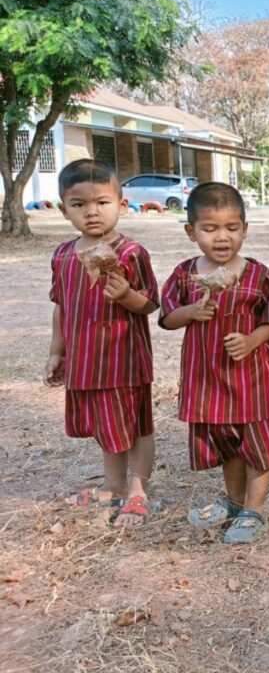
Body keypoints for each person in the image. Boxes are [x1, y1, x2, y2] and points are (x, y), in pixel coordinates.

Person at [160, 183, 269, 544]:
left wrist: (251, 340)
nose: (222, 237)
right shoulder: (185, 275)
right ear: (191, 232)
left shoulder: (258, 275)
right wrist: (191, 311)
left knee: (257, 443)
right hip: (208, 381)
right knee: (228, 444)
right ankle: (235, 503)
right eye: (210, 228)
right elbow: (167, 317)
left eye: (232, 228)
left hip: (251, 380)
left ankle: (255, 510)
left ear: (244, 229)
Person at [45, 159, 159, 527]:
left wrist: (126, 295)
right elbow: (61, 305)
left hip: (124, 360)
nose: (92, 212)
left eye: (102, 202)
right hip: (85, 361)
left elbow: (150, 304)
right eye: (79, 204)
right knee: (106, 426)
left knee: (136, 426)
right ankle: (113, 486)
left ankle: (138, 490)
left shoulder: (131, 253)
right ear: (64, 210)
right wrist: (57, 351)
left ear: (121, 205)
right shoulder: (63, 255)